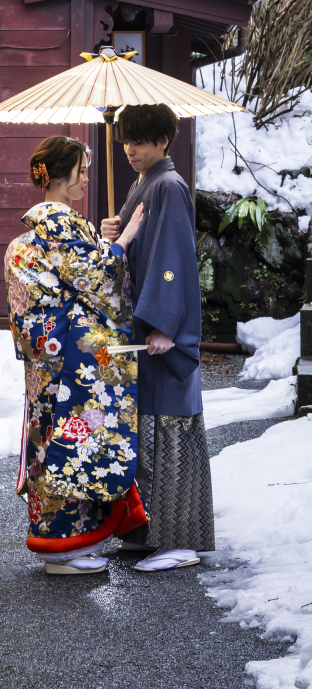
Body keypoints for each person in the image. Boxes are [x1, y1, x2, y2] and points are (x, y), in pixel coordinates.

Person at [5, 134, 147, 576]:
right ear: (63, 178)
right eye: (82, 171)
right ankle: (60, 548)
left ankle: (69, 543)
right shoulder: (59, 223)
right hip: (65, 359)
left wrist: (102, 240)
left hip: (48, 357)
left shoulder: (48, 227)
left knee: (54, 439)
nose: (86, 177)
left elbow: (79, 269)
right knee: (65, 442)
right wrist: (122, 241)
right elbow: (99, 277)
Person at [101, 103, 215, 573]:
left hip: (160, 333)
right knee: (148, 432)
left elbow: (174, 260)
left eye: (141, 141)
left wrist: (166, 325)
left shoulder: (168, 184)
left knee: (168, 430)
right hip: (144, 328)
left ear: (165, 141)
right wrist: (113, 233)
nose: (131, 150)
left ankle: (180, 541)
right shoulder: (145, 182)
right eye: (127, 141)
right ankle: (148, 532)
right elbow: (134, 246)